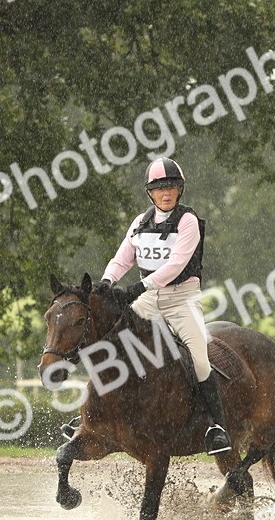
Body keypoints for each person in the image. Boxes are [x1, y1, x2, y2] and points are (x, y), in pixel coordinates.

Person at [62, 156, 231, 455]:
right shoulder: (140, 222)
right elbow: (123, 257)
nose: (166, 193)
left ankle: (216, 428)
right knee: (109, 342)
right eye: (160, 188)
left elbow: (177, 264)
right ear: (150, 193)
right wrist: (108, 281)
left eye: (172, 187)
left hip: (181, 298)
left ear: (180, 190)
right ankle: (92, 415)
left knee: (199, 356)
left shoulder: (187, 221)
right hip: (149, 299)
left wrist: (139, 286)